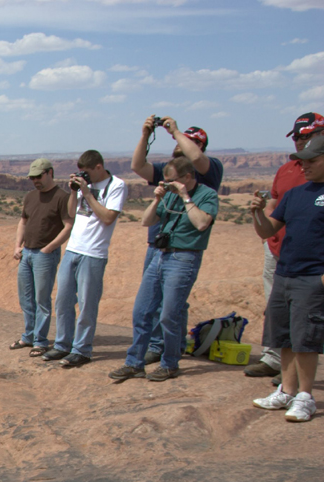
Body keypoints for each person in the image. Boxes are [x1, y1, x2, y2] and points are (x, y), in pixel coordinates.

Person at [109, 157, 218, 383]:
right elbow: (147, 221)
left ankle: (169, 364)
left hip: (184, 257)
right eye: (165, 181)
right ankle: (134, 363)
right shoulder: (168, 195)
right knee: (142, 311)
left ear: (187, 177)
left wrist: (185, 197)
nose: (167, 184)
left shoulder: (207, 195)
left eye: (171, 181)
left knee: (169, 315)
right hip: (160, 254)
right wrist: (158, 198)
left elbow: (201, 223)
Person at [131, 117, 224, 363]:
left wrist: (175, 132)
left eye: (188, 142)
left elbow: (196, 160)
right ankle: (161, 345)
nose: (178, 144)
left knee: (171, 305)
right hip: (158, 244)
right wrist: (145, 134)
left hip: (185, 249)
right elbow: (138, 166)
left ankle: (167, 348)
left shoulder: (209, 168)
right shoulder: (169, 170)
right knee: (153, 303)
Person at [248, 132, 324, 423]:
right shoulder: (294, 195)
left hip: (312, 277)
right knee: (286, 336)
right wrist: (257, 214)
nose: (304, 166)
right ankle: (287, 390)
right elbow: (268, 231)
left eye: (312, 160)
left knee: (306, 339)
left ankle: (306, 396)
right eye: (302, 161)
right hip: (286, 272)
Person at [45, 150, 127, 367]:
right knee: (62, 301)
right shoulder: (84, 185)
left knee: (87, 304)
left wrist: (87, 193)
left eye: (87, 172)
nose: (84, 176)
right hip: (73, 249)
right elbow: (72, 214)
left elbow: (108, 217)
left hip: (94, 253)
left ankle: (82, 349)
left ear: (98, 167)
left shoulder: (116, 186)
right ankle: (63, 345)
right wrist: (74, 192)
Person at [11, 158, 72, 355]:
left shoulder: (62, 197)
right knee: (26, 298)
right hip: (27, 253)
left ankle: (41, 341)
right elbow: (23, 222)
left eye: (38, 176)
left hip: (45, 255)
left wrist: (50, 247)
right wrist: (17, 246)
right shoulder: (30, 196)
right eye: (32, 177)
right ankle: (28, 336)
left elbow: (69, 226)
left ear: (50, 173)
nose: (35, 181)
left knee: (42, 299)